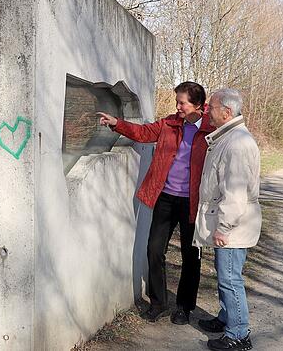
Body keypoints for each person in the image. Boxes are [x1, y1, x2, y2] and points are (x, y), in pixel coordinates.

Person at [97, 81, 215, 325]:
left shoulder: (211, 131)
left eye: (182, 102)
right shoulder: (168, 124)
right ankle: (158, 302)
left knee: (190, 255)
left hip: (193, 202)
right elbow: (143, 133)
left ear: (198, 105)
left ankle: (184, 307)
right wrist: (117, 123)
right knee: (154, 249)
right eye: (177, 102)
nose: (178, 107)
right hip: (165, 198)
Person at [193, 88, 261, 351]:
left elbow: (235, 192)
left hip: (234, 224)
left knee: (230, 278)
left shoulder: (237, 143)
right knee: (225, 274)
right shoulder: (229, 138)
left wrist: (223, 227)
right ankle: (226, 318)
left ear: (227, 112)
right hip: (231, 223)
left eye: (211, 107)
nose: (208, 111)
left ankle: (239, 334)